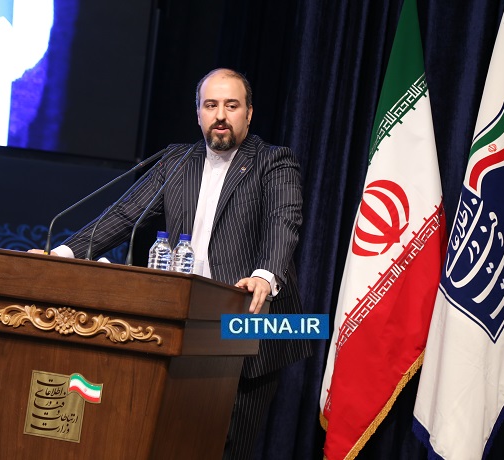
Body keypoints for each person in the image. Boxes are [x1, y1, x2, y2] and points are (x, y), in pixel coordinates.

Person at [33, 68, 311, 458]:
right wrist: (61, 255)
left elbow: (284, 221)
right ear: (198, 113)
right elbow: (123, 215)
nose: (220, 115)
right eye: (210, 105)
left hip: (245, 323)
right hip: (180, 322)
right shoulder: (176, 161)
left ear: (249, 113)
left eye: (231, 106)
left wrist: (266, 274)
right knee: (166, 439)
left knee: (227, 445)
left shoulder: (273, 161)